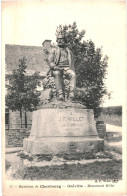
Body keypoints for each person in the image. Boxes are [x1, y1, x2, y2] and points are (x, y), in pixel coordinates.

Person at [48, 30, 76, 101]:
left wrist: (71, 69)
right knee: (57, 74)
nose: (60, 41)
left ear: (65, 41)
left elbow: (72, 63)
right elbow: (50, 61)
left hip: (67, 69)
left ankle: (71, 93)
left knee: (73, 74)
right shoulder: (53, 50)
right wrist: (55, 67)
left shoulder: (69, 52)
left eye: (62, 39)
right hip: (57, 68)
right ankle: (60, 94)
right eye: (58, 40)